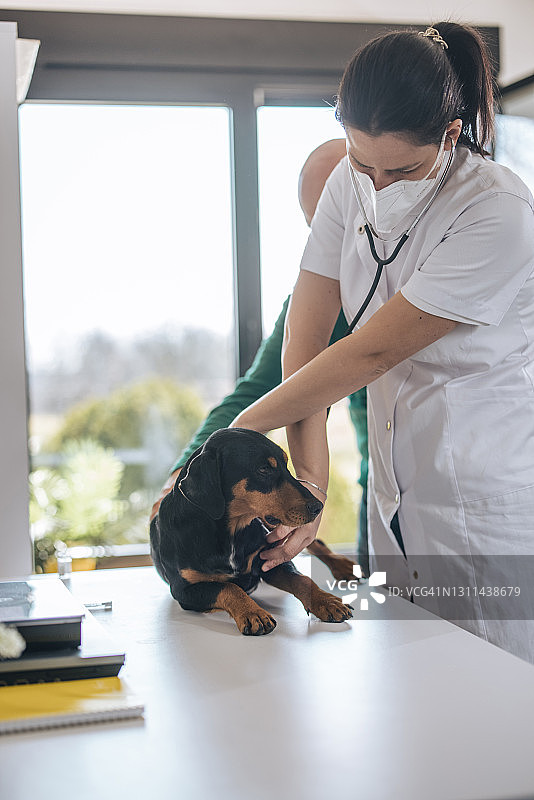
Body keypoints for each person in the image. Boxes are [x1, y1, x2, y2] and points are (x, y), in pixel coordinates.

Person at [231, 22, 534, 663]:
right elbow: (307, 339)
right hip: (397, 502)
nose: (377, 184)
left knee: (495, 700)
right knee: (408, 690)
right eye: (363, 162)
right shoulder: (349, 180)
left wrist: (231, 443)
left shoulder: (499, 212)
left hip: (486, 506)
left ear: (449, 135)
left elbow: (369, 353)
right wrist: (308, 487)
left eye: (401, 169)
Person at [150, 138, 381, 572]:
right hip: (382, 495)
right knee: (399, 629)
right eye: (319, 228)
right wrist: (183, 476)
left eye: (345, 221)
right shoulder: (317, 298)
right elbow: (261, 389)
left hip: (476, 491)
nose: (334, 243)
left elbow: (372, 355)